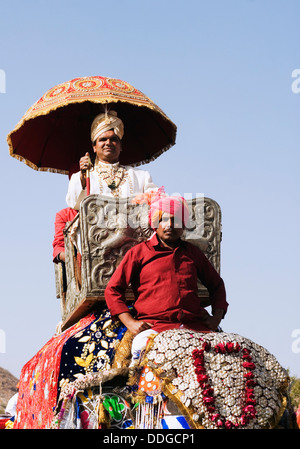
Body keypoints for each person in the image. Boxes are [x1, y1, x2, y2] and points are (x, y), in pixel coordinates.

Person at [104, 196, 228, 361]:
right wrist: (131, 323)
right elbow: (113, 289)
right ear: (155, 223)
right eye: (163, 220)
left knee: (228, 361)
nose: (170, 225)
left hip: (195, 326)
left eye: (176, 220)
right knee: (138, 362)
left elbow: (217, 285)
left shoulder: (192, 253)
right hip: (154, 328)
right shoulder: (139, 252)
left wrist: (216, 318)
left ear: (183, 225)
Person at [66, 110, 157, 210]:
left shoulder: (141, 177)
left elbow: (158, 202)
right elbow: (74, 204)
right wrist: (83, 180)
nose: (108, 143)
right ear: (94, 147)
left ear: (120, 146)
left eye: (114, 139)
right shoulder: (82, 177)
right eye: (103, 139)